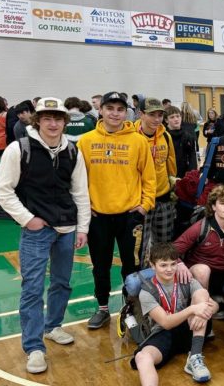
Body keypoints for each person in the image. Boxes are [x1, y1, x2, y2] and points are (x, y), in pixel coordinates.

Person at [0, 97, 91, 374]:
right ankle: (34, 347)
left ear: (64, 122)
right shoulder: (19, 149)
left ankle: (53, 326)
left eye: (58, 118)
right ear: (37, 121)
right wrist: (28, 219)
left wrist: (82, 228)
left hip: (67, 229)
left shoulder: (72, 151)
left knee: (62, 283)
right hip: (36, 231)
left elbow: (80, 192)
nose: (53, 123)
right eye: (47, 118)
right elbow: (3, 190)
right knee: (32, 288)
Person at [77, 91, 156, 329]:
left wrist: (144, 206)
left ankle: (131, 308)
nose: (115, 113)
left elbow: (149, 178)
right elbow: (77, 180)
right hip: (98, 217)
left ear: (126, 112)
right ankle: (102, 308)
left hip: (130, 217)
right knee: (100, 266)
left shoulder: (138, 141)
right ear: (100, 110)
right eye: (110, 108)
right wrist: (85, 207)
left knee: (132, 268)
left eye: (120, 109)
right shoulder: (86, 141)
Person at [131, 243, 218, 384]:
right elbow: (166, 323)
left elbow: (214, 305)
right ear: (152, 265)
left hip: (191, 328)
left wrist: (203, 311)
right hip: (163, 333)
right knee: (142, 357)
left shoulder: (186, 279)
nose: (169, 269)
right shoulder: (146, 292)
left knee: (201, 294)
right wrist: (192, 309)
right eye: (163, 265)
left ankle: (195, 356)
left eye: (173, 264)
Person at [173, 184, 224, 298]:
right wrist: (179, 263)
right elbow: (170, 251)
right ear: (214, 207)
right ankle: (202, 302)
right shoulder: (201, 227)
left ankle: (223, 302)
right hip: (197, 274)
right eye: (222, 203)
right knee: (203, 270)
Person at [136, 98, 177, 249]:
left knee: (164, 246)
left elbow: (171, 165)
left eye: (160, 115)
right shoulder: (132, 137)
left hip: (163, 197)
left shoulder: (165, 136)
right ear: (141, 114)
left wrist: (172, 187)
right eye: (152, 115)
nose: (157, 119)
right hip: (140, 199)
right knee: (139, 247)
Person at [164, 105, 197, 179]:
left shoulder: (188, 136)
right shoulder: (163, 136)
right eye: (172, 117)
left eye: (178, 116)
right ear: (166, 120)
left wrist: (191, 175)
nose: (176, 119)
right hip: (168, 175)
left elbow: (192, 156)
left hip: (184, 174)